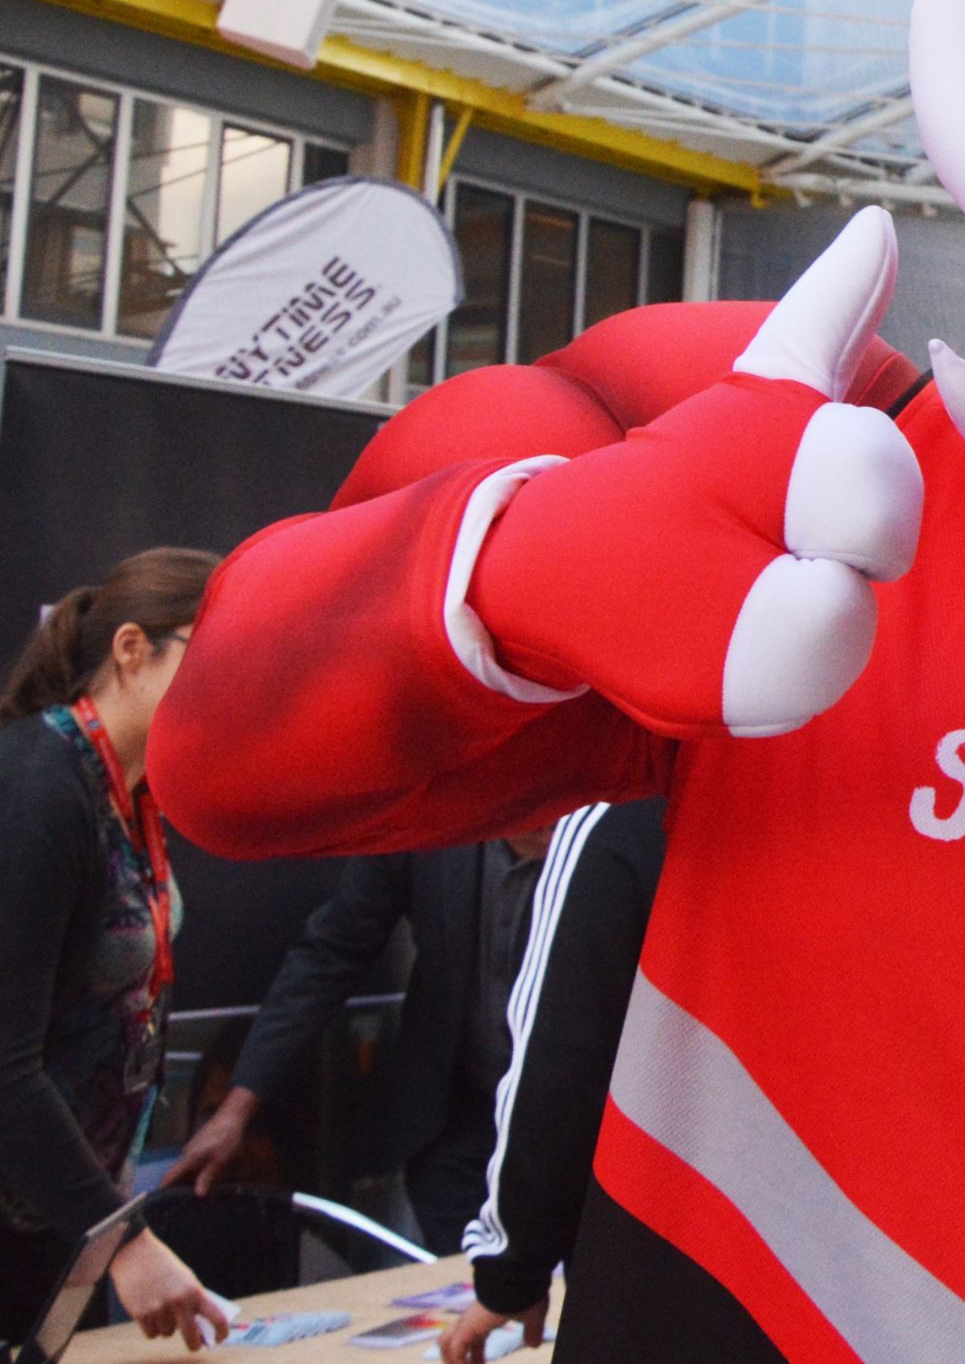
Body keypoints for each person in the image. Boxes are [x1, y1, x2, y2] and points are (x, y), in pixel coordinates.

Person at [0, 549, 234, 1352]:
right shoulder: (41, 784)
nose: (225, 695)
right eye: (208, 662)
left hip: (58, 1218)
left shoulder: (128, 794)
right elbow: (4, 1062)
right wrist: (122, 1238)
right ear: (132, 649)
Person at [169, 820, 569, 1249]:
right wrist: (235, 1110)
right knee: (471, 1293)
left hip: (586, 1132)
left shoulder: (623, 826)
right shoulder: (428, 817)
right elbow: (332, 952)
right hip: (461, 1132)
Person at [443, 799, 667, 1364]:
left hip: (661, 1248)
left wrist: (511, 1271)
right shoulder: (847, 796)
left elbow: (560, 1059)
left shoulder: (613, 819)